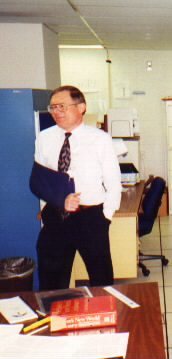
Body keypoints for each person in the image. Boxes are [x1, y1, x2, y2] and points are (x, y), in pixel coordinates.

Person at [33, 85, 122, 290]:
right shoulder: (44, 138)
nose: (56, 112)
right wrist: (54, 202)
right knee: (51, 281)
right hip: (56, 215)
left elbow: (113, 182)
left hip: (90, 218)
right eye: (53, 107)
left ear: (81, 107)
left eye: (62, 106)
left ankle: (104, 318)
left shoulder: (100, 139)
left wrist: (105, 217)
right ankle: (54, 318)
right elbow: (40, 180)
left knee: (101, 278)